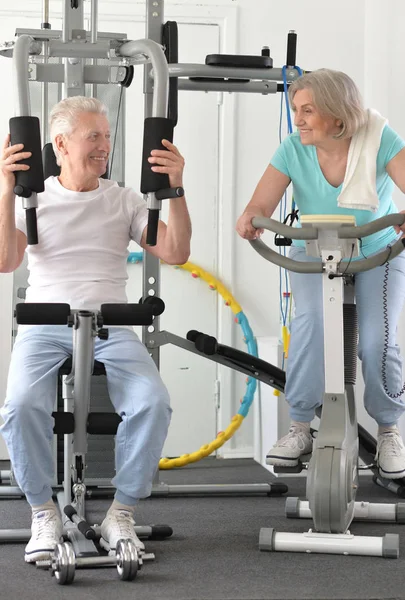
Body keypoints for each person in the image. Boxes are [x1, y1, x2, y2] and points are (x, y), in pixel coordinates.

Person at [0, 96, 191, 563]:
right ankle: (44, 512)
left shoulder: (124, 198)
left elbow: (176, 251)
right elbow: (6, 261)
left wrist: (177, 189)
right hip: (45, 324)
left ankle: (120, 512)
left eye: (107, 136)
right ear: (60, 144)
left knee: (153, 401)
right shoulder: (34, 199)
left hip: (111, 324)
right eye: (94, 136)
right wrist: (5, 189)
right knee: (20, 405)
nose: (105, 145)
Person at [236, 68, 405, 479]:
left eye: (308, 110)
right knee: (310, 323)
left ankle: (389, 430)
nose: (299, 119)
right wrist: (250, 219)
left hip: (376, 248)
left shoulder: (380, 139)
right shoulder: (293, 149)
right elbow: (258, 206)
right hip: (314, 250)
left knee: (378, 340)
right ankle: (299, 426)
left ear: (336, 113)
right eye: (296, 109)